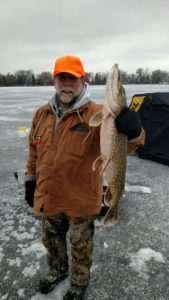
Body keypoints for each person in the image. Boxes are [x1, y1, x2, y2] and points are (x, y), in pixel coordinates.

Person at [25, 55, 145, 300]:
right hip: (49, 197)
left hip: (80, 200)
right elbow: (34, 151)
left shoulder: (100, 114)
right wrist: (30, 181)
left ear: (83, 81)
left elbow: (133, 144)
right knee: (52, 241)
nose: (67, 84)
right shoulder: (41, 114)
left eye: (73, 79)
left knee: (81, 247)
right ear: (54, 81)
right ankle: (57, 271)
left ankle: (79, 282)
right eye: (62, 78)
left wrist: (133, 130)